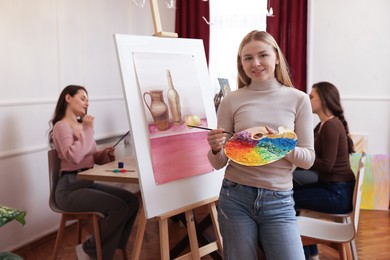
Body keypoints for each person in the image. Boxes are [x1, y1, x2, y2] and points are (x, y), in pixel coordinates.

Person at [207, 30, 315, 260]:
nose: (255, 63)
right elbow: (219, 163)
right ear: (241, 63)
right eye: (247, 58)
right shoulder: (231, 100)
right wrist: (216, 148)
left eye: (262, 55)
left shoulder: (299, 99)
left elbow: (308, 159)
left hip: (279, 199)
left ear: (276, 57)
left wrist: (278, 145)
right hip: (235, 197)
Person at [48, 85, 139, 260]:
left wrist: (105, 154)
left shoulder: (83, 126)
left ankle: (107, 247)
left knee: (132, 201)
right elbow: (74, 157)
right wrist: (88, 130)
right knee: (119, 207)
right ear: (68, 98)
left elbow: (91, 157)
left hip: (86, 182)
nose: (86, 103)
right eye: (82, 98)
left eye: (87, 100)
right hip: (68, 189)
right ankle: (90, 249)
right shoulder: (62, 126)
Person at [293, 82, 356, 259]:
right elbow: (310, 150)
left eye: (311, 96)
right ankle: (309, 253)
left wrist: (299, 158)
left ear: (324, 99)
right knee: (291, 191)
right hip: (333, 187)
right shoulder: (323, 125)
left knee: (288, 197)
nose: (308, 98)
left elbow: (326, 165)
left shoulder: (330, 126)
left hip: (338, 193)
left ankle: (303, 253)